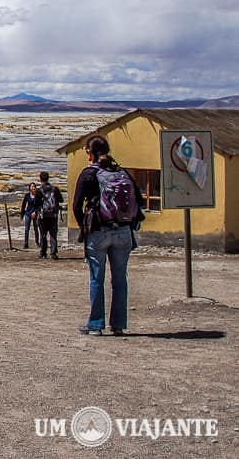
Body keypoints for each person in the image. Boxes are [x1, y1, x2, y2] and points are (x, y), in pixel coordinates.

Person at [73, 135, 144, 337]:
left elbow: (76, 206)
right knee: (120, 279)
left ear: (91, 153)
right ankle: (118, 325)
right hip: (123, 232)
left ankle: (96, 325)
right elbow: (139, 201)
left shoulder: (89, 174)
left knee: (97, 278)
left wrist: (85, 226)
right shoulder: (122, 173)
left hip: (98, 232)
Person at [37, 171, 64, 259]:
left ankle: (43, 252)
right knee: (53, 234)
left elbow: (36, 202)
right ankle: (53, 252)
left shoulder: (39, 190)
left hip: (43, 215)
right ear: (48, 178)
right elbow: (61, 200)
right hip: (53, 215)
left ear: (40, 179)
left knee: (43, 234)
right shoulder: (55, 189)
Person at [19, 182, 42, 249]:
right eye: (32, 186)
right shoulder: (27, 195)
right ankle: (26, 244)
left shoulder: (38, 195)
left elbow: (40, 205)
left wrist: (35, 212)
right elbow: (23, 205)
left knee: (36, 228)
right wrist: (22, 215)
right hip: (28, 213)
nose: (33, 188)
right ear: (29, 188)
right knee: (26, 229)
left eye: (34, 186)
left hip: (35, 213)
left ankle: (37, 242)